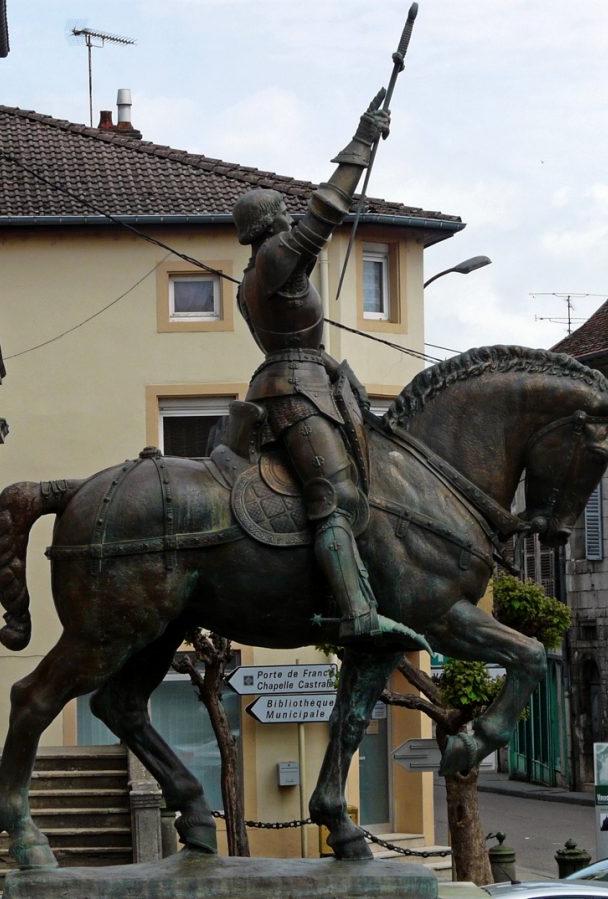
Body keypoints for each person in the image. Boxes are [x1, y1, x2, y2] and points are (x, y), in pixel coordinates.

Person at [231, 91, 425, 650]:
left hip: (303, 383)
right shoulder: (273, 261)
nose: (292, 219)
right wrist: (363, 140)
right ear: (271, 224)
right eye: (283, 216)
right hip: (296, 392)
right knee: (333, 495)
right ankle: (357, 611)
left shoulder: (258, 275)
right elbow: (326, 210)